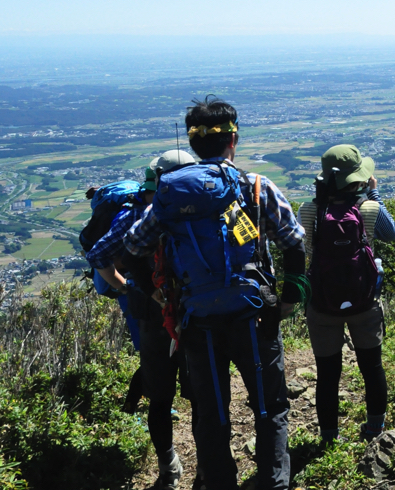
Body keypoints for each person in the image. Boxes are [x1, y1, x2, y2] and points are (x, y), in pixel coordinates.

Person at [124, 97, 307, 490]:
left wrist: (157, 294)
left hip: (197, 319)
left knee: (211, 412)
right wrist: (289, 299)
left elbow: (132, 248)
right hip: (254, 313)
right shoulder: (255, 187)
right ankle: (274, 483)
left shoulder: (171, 195)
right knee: (269, 405)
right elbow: (294, 243)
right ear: (233, 140)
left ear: (194, 145)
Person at [87, 149, 198, 490]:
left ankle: (170, 468)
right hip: (187, 310)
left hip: (152, 313)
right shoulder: (183, 208)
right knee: (196, 392)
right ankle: (195, 464)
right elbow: (99, 255)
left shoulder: (138, 210)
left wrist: (130, 289)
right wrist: (127, 288)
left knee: (163, 394)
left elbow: (99, 256)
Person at [298, 144, 395, 445]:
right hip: (364, 300)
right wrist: (374, 196)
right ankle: (375, 429)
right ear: (359, 179)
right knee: (372, 366)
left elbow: (303, 249)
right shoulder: (368, 208)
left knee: (327, 373)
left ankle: (329, 437)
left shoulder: (309, 210)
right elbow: (391, 232)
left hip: (321, 303)